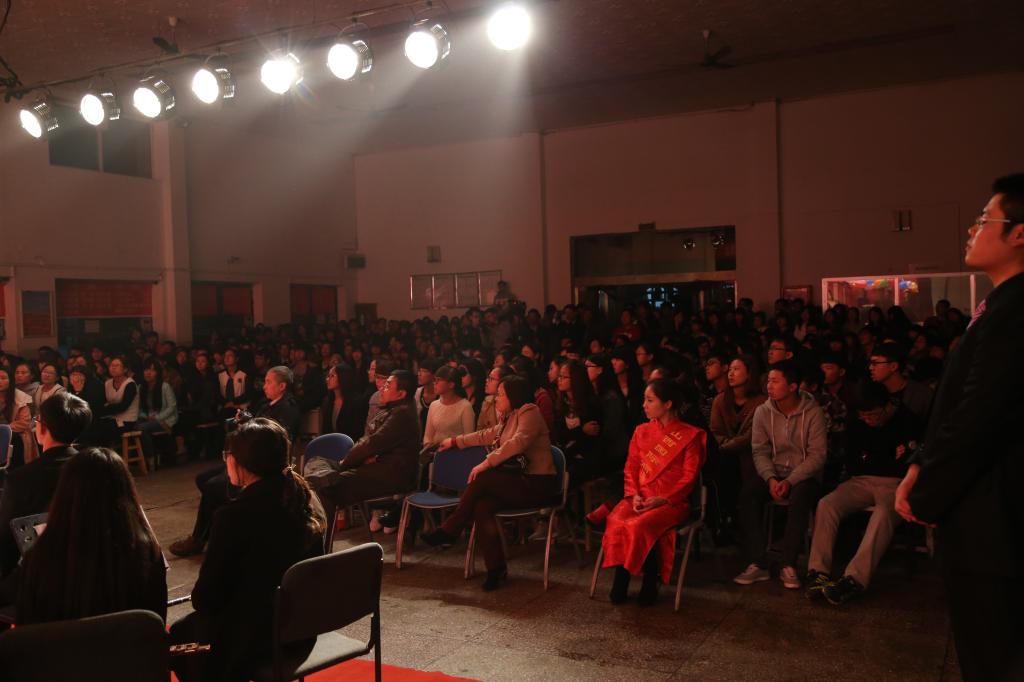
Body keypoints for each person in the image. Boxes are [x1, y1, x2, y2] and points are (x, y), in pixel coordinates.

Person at [896, 174, 1024, 682]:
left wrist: (927, 492)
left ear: (1020, 233)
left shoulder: (1014, 312)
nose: (972, 229)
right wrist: (919, 465)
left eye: (985, 219)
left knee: (994, 656)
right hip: (985, 513)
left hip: (994, 521)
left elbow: (978, 418)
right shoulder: (997, 307)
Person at [170, 418, 326, 682]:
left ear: (239, 462)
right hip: (301, 630)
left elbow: (206, 599)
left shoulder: (233, 516)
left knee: (178, 638)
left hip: (256, 638)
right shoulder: (304, 501)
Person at [421, 376, 558, 591]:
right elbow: (485, 435)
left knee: (482, 477)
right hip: (517, 483)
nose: (496, 399)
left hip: (538, 484)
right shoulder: (509, 417)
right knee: (481, 506)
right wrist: (455, 441)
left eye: (501, 394)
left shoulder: (529, 411)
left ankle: (451, 528)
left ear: (513, 396)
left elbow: (518, 442)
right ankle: (496, 569)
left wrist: (485, 463)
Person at [16, 447, 167, 624]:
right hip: (127, 642)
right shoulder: (147, 553)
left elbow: (27, 628)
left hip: (62, 643)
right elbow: (156, 623)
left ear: (65, 494)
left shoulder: (38, 558)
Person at [805, 382, 921, 606]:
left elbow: (907, 464)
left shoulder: (907, 420)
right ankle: (818, 571)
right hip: (860, 480)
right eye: (863, 415)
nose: (868, 419)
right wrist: (889, 456)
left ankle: (854, 579)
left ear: (886, 406)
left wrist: (872, 458)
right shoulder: (856, 422)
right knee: (827, 504)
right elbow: (853, 463)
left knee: (883, 513)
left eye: (873, 414)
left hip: (895, 484)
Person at [169, 367, 301, 557]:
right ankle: (223, 524)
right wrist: (245, 420)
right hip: (249, 459)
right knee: (202, 479)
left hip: (262, 467)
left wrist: (250, 424)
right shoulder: (266, 404)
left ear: (282, 386)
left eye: (269, 382)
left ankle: (199, 539)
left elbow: (272, 439)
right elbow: (256, 426)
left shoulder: (288, 408)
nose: (264, 386)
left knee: (212, 487)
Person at [600, 379, 706, 606]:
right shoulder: (641, 431)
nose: (644, 405)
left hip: (671, 502)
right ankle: (621, 580)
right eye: (644, 400)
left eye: (650, 400)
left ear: (667, 404)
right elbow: (631, 468)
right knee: (616, 520)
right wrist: (634, 495)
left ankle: (650, 579)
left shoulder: (690, 435)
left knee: (639, 525)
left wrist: (664, 499)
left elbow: (689, 476)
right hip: (640, 498)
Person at [735, 360, 827, 589]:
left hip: (803, 475)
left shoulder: (813, 412)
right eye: (768, 380)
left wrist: (790, 480)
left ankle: (788, 564)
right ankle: (759, 562)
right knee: (748, 494)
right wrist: (770, 478)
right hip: (774, 472)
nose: (769, 386)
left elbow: (817, 455)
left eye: (775, 381)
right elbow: (759, 450)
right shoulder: (763, 411)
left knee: (800, 497)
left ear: (793, 386)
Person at [303, 370, 421, 535]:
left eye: (388, 386)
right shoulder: (392, 409)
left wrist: (344, 463)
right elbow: (367, 441)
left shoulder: (402, 414)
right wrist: (359, 458)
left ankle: (319, 539)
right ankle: (324, 481)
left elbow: (371, 444)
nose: (382, 388)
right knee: (316, 462)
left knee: (325, 488)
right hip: (377, 466)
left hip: (390, 475)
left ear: (401, 394)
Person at [0, 392, 92, 591]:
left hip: (43, 577)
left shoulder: (20, 479)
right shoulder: (96, 468)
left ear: (41, 428)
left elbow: (6, 542)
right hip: (92, 567)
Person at [709, 355, 767, 531]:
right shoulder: (720, 400)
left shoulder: (761, 402)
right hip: (726, 455)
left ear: (749, 374)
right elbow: (715, 430)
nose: (731, 374)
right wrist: (725, 445)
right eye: (730, 370)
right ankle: (724, 521)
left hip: (751, 455)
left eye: (737, 369)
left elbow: (753, 435)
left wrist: (727, 445)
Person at [867, 342, 933, 424]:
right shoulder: (872, 391)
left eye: (875, 363)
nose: (870, 367)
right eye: (870, 363)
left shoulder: (921, 395)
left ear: (893, 366)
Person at [136, 359, 178, 466]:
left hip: (164, 419)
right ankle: (148, 456)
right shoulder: (140, 387)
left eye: (152, 370)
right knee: (134, 425)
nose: (148, 373)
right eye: (146, 369)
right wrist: (146, 416)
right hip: (148, 418)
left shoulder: (165, 386)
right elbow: (138, 409)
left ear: (158, 373)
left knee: (141, 428)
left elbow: (172, 406)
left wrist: (157, 417)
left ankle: (151, 457)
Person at [423, 365, 476, 446]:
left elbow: (468, 438)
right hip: (435, 450)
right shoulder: (434, 405)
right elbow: (428, 435)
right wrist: (428, 445)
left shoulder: (465, 407)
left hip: (455, 451)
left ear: (451, 384)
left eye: (439, 380)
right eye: (435, 380)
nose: (435, 383)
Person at [320, 362, 367, 441]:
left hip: (350, 444)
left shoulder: (356, 402)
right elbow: (325, 431)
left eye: (332, 376)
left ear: (343, 377)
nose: (327, 379)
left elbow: (358, 432)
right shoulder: (327, 401)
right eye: (328, 376)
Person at [98, 356, 139, 445]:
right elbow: (102, 401)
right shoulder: (107, 383)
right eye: (111, 365)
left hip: (127, 421)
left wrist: (105, 409)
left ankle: (107, 452)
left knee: (101, 429)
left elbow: (123, 407)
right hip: (112, 418)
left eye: (117, 365)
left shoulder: (130, 384)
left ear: (125, 369)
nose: (113, 368)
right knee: (93, 424)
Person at [0, 367, 35, 467]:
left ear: (11, 380)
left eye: (3, 378)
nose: (0, 381)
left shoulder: (20, 397)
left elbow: (24, 422)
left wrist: (4, 429)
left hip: (15, 435)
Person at [478, 365, 513, 430]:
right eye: (488, 377)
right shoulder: (487, 401)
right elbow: (479, 430)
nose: (486, 380)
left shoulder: (513, 406)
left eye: (491, 378)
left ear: (503, 382)